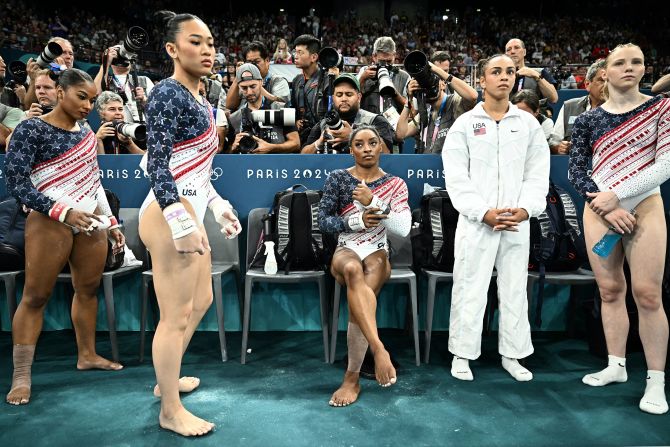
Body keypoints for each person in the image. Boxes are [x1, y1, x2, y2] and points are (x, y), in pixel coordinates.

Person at [138, 11, 242, 436]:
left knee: (200, 302)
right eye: (196, 42)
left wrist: (217, 205)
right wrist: (179, 219)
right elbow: (157, 166)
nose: (207, 51)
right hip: (167, 215)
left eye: (212, 43)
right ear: (172, 49)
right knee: (175, 315)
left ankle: (168, 379)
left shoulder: (204, 100)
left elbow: (195, 173)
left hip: (189, 210)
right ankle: (170, 411)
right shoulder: (166, 93)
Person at [4, 68, 126, 406]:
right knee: (35, 297)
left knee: (87, 290)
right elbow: (17, 184)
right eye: (81, 97)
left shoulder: (87, 132)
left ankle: (86, 355)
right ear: (60, 92)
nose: (89, 105)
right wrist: (63, 212)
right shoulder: (31, 129)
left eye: (91, 98)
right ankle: (21, 375)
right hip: (49, 222)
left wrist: (112, 223)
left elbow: (94, 181)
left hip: (89, 221)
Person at [568, 43, 669, 415]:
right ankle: (616, 365)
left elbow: (665, 164)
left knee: (647, 295)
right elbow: (576, 171)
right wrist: (604, 206)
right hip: (599, 210)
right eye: (620, 63)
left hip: (645, 204)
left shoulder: (661, 107)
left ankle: (656, 379)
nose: (629, 67)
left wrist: (619, 196)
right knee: (610, 290)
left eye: (637, 62)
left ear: (645, 69)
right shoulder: (587, 120)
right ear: (604, 73)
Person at [443, 54, 550, 382]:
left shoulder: (528, 124)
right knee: (469, 285)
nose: (504, 77)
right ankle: (462, 353)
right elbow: (456, 177)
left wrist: (526, 209)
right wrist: (482, 212)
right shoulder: (463, 125)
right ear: (483, 80)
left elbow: (537, 174)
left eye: (509, 72)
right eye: (496, 71)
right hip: (477, 221)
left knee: (515, 288)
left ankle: (513, 354)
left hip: (516, 220)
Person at [318, 125, 411, 406]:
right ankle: (378, 350)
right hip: (347, 246)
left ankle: (352, 379)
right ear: (351, 150)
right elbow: (323, 221)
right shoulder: (338, 179)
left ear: (381, 146)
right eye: (359, 144)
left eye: (372, 143)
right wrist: (353, 221)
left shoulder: (395, 184)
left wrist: (374, 202)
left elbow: (403, 228)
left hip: (378, 249)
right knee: (351, 270)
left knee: (362, 291)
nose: (367, 148)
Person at [396, 61, 477, 154]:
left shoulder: (455, 102)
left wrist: (437, 70)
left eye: (432, 83)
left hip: (451, 164)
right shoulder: (425, 114)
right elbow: (400, 135)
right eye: (423, 86)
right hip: (429, 166)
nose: (428, 87)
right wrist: (409, 98)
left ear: (443, 84)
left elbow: (473, 96)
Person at [302, 73, 394, 154]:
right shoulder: (324, 124)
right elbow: (303, 157)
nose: (344, 99)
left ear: (359, 97)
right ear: (333, 98)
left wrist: (354, 136)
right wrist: (319, 143)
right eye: (339, 95)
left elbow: (387, 153)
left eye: (349, 94)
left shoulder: (375, 120)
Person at [228, 63, 299, 153]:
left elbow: (296, 143)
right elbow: (227, 152)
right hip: (247, 165)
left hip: (276, 165)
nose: (249, 92)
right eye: (244, 88)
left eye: (253, 86)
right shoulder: (235, 118)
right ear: (238, 87)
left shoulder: (281, 109)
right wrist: (233, 148)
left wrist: (272, 147)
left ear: (261, 82)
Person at [549, 60, 606, 155]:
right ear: (587, 84)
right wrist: (560, 147)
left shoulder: (622, 110)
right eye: (601, 80)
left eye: (610, 81)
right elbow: (553, 142)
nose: (607, 85)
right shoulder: (569, 106)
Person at [225, 41, 290, 112]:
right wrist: (239, 75)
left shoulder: (277, 80)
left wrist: (257, 86)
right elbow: (229, 106)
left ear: (267, 61)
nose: (253, 66)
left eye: (257, 62)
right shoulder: (244, 82)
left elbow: (283, 103)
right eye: (249, 62)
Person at [505, 38, 558, 104]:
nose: (512, 51)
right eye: (508, 49)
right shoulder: (500, 76)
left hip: (530, 114)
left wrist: (536, 76)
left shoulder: (540, 72)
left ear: (524, 52)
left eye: (516, 47)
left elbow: (554, 99)